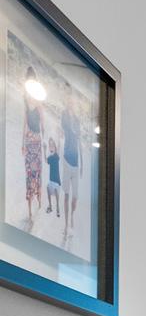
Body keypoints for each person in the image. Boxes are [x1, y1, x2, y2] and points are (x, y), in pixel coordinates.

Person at [59, 93, 82, 243]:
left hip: (76, 162)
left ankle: (71, 218)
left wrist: (83, 165)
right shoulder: (64, 117)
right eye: (68, 102)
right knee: (67, 195)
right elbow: (63, 128)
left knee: (75, 197)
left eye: (72, 102)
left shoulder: (77, 121)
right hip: (66, 160)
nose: (70, 104)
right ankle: (66, 224)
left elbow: (79, 140)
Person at [21, 72, 44, 218]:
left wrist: (46, 144)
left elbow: (43, 125)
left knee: (38, 173)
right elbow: (24, 125)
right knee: (29, 174)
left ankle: (39, 199)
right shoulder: (25, 101)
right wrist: (22, 144)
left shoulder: (39, 102)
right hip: (29, 143)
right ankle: (30, 206)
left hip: (37, 142)